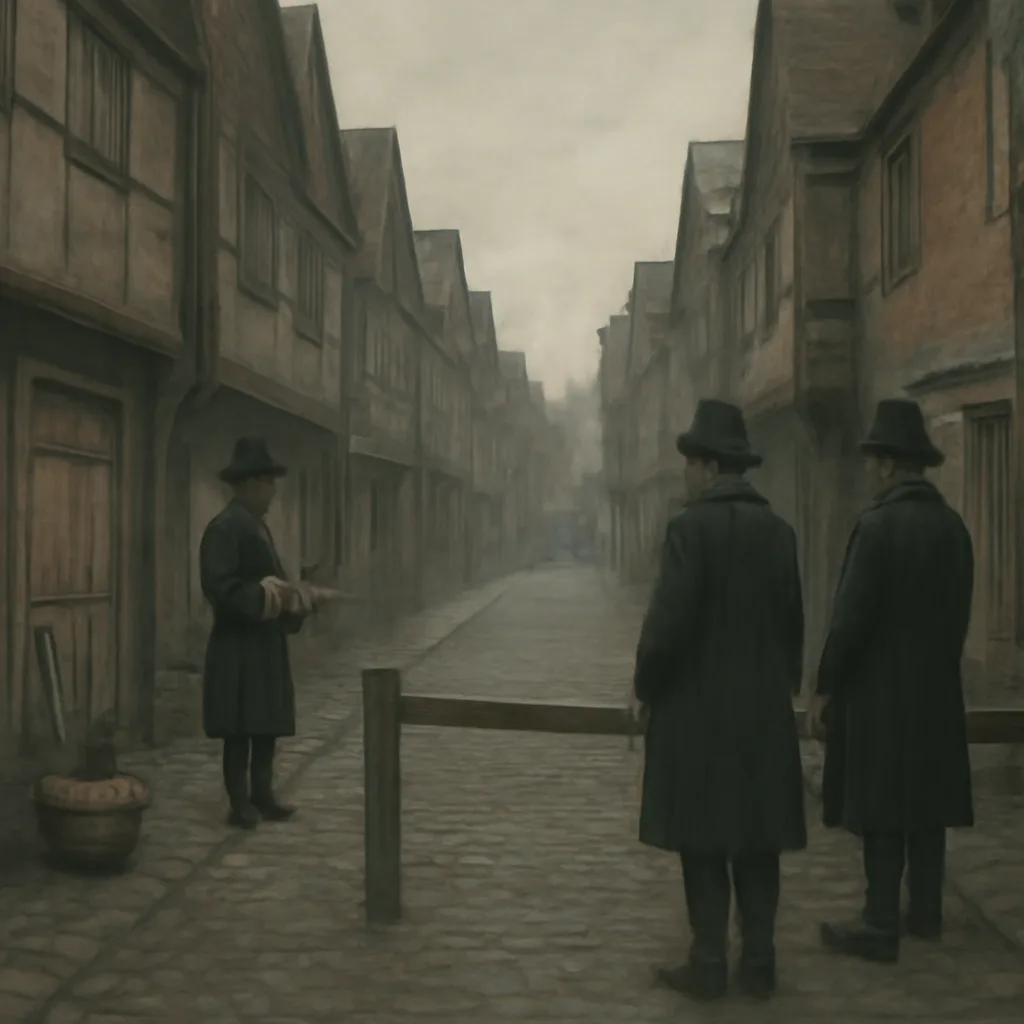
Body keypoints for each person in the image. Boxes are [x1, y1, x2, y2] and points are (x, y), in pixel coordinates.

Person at [634, 399, 806, 1002]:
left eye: (690, 463)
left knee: (703, 839)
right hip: (761, 712)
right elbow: (793, 626)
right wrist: (781, 686)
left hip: (697, 713)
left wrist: (645, 687)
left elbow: (668, 626)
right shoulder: (780, 533)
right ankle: (760, 962)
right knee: (759, 839)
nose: (685, 474)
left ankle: (708, 961)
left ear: (708, 467)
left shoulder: (689, 530)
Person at [809, 398, 974, 964]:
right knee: (927, 805)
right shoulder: (953, 528)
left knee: (881, 809)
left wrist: (826, 685)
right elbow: (959, 619)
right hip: (936, 692)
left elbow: (850, 620)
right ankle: (925, 913)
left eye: (873, 461)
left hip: (880, 697)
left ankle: (880, 922)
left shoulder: (876, 528)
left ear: (884, 464)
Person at [200, 437, 314, 829]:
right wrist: (268, 597)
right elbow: (220, 588)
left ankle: (263, 794)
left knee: (265, 721)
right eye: (268, 486)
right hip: (237, 643)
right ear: (248, 485)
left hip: (265, 642)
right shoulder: (224, 529)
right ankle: (240, 802)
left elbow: (277, 585)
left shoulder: (258, 528)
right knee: (240, 727)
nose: (272, 494)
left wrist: (295, 601)